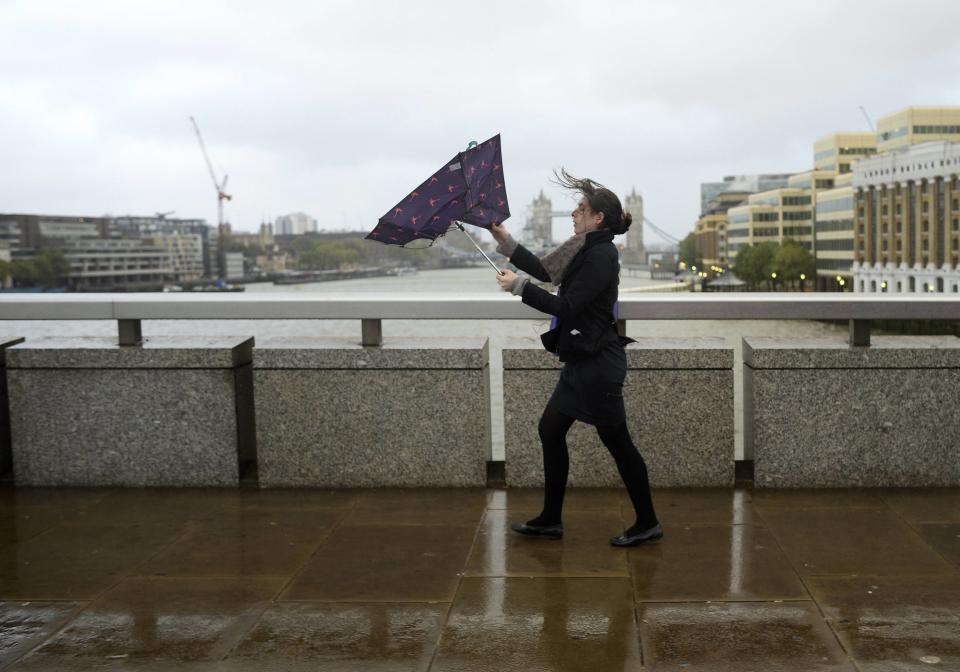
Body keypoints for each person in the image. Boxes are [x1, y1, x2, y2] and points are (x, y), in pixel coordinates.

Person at [490, 169, 661, 547]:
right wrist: (507, 242)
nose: (574, 214)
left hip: (599, 366)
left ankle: (648, 521)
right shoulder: (581, 247)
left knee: (619, 443)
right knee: (550, 430)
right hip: (582, 361)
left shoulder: (601, 255)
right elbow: (547, 271)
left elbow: (566, 305)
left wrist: (519, 287)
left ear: (598, 218)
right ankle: (551, 519)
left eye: (581, 209)